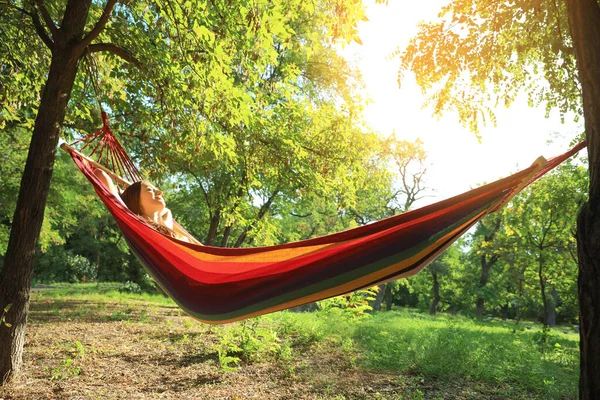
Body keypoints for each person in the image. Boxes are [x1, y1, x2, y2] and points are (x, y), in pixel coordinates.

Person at [93, 168, 197, 243]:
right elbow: (100, 174)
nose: (160, 192)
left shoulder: (165, 225)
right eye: (150, 190)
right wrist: (121, 195)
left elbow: (167, 211)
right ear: (135, 200)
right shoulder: (139, 224)